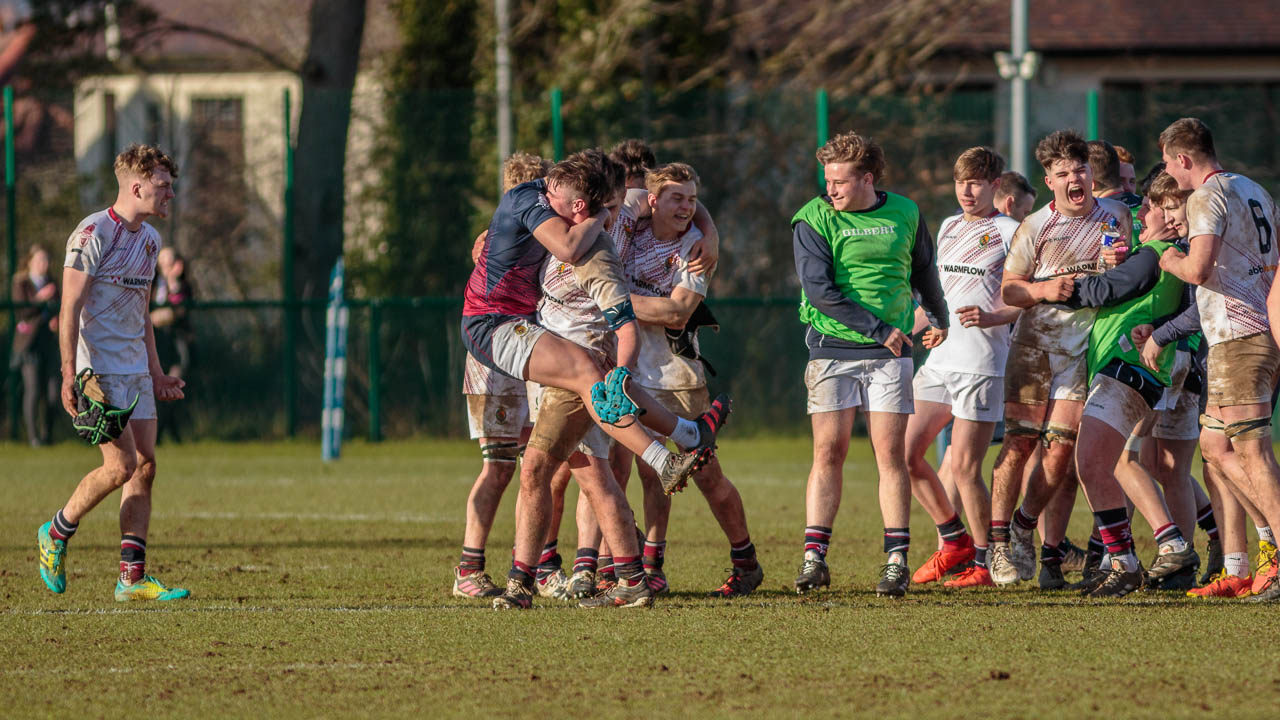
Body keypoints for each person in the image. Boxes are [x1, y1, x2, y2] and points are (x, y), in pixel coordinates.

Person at [462, 148, 730, 610]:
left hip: (567, 361)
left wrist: (619, 373)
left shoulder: (600, 252)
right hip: (544, 348)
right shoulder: (589, 213)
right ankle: (617, 574)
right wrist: (712, 228)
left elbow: (625, 324)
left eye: (560, 196)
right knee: (574, 474)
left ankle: (534, 582)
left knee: (565, 463)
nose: (549, 197)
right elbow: (663, 196)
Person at [791, 130, 948, 598]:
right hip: (832, 350)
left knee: (891, 456)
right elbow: (820, 290)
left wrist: (937, 316)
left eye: (840, 181)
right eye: (827, 180)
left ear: (867, 179)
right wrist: (880, 329)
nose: (831, 189)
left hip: (889, 356)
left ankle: (896, 561)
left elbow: (924, 271)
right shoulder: (812, 218)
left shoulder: (905, 211)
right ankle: (814, 558)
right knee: (828, 452)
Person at [36, 143, 188, 602]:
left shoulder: (151, 242)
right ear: (137, 186)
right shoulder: (91, 232)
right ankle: (56, 532)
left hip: (135, 369)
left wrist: (157, 373)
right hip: (96, 370)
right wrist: (69, 372)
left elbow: (141, 314)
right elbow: (70, 307)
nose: (169, 196)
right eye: (163, 187)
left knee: (144, 465)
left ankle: (131, 578)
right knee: (120, 466)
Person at [984, 130, 1132, 587]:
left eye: (1081, 169)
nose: (1075, 178)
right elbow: (1010, 288)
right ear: (1049, 181)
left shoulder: (1118, 216)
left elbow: (1129, 273)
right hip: (1034, 347)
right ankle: (997, 545)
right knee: (1019, 445)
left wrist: (1120, 263)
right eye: (1063, 172)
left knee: (1061, 452)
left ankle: (1024, 528)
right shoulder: (1035, 227)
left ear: (1091, 174)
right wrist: (1042, 289)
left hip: (1080, 352)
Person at [617, 162, 762, 598]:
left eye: (693, 199)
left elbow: (677, 312)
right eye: (677, 198)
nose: (687, 207)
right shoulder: (629, 221)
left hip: (678, 375)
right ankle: (650, 566)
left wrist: (610, 299)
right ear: (653, 199)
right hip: (628, 370)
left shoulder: (697, 248)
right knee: (647, 473)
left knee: (707, 475)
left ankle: (746, 561)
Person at [1159, 117, 1280, 603]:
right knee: (1215, 449)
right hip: (1248, 334)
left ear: (1183, 159)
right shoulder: (1253, 188)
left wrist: (1165, 256)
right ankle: (1259, 550)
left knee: (1252, 452)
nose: (1170, 171)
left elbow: (1198, 268)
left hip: (1239, 336)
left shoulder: (1206, 197)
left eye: (1169, 162)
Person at [903, 147, 1019, 589]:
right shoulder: (949, 225)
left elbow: (1027, 299)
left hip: (982, 365)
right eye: (960, 182)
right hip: (941, 362)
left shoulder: (1010, 231)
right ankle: (954, 541)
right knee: (905, 453)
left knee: (967, 468)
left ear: (995, 186)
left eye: (975, 183)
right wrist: (911, 328)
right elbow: (939, 300)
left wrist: (991, 317)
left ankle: (987, 564)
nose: (966, 191)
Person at [454, 151, 554, 599]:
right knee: (499, 466)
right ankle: (468, 569)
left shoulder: (543, 229)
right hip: (494, 355)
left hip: (529, 348)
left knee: (542, 462)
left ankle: (540, 564)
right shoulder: (502, 232)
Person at [11, 245, 59, 446]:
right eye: (40, 260)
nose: (44, 264)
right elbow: (21, 312)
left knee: (53, 391)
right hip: (29, 344)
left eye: (46, 260)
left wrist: (57, 318)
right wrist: (40, 298)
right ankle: (33, 437)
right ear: (30, 261)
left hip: (49, 342)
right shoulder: (20, 283)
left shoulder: (53, 282)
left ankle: (47, 435)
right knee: (33, 389)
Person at [150, 247, 196, 443]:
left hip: (177, 345)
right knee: (156, 391)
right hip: (157, 344)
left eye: (169, 263)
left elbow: (178, 312)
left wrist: (173, 284)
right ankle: (167, 435)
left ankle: (162, 433)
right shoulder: (152, 284)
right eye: (162, 263)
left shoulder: (183, 286)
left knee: (174, 388)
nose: (165, 267)